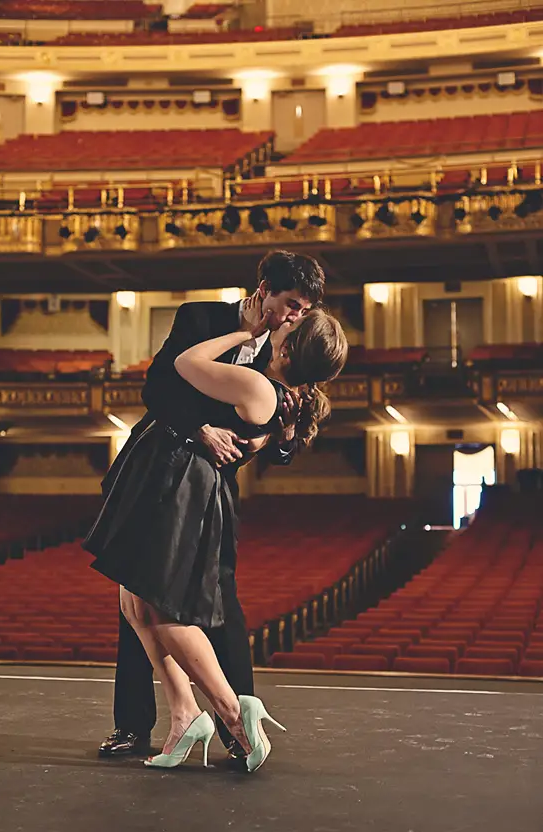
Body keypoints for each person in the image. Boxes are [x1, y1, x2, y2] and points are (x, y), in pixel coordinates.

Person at [83, 298, 348, 771]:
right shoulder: (270, 386)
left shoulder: (258, 381)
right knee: (135, 602)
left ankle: (233, 714)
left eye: (295, 322)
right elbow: (170, 387)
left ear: (288, 354)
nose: (286, 322)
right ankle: (185, 714)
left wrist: (245, 333)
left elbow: (185, 364)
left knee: (165, 610)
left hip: (185, 487)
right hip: (171, 477)